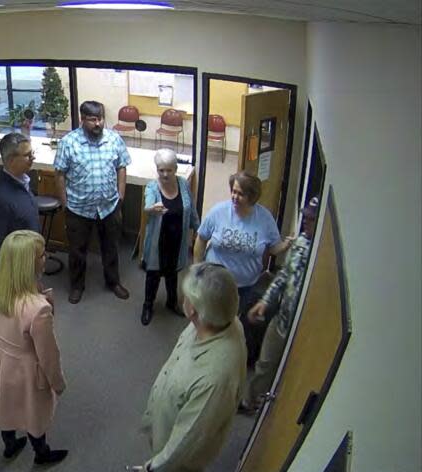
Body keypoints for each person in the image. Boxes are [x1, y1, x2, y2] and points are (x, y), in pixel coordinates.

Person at [136, 262, 247, 471]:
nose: (182, 299)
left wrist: (152, 467)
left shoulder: (214, 380)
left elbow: (185, 442)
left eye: (186, 296)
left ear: (192, 310)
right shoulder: (221, 320)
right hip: (166, 420)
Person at [0, 230, 68, 465]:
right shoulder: (38, 309)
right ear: (29, 264)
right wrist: (58, 383)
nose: (46, 257)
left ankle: (10, 445)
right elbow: (48, 356)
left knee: (4, 407)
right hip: (26, 370)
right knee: (33, 413)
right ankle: (42, 453)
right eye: (42, 254)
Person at [193, 171, 292, 364]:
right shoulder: (219, 212)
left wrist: (285, 246)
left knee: (236, 325)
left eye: (240, 194)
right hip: (216, 282)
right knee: (211, 320)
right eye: (233, 191)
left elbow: (273, 248)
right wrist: (197, 269)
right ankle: (206, 356)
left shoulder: (264, 219)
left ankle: (229, 358)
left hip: (246, 285)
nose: (234, 197)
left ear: (252, 196)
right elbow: (201, 238)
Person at [240, 196, 320, 413]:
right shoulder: (302, 242)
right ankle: (250, 403)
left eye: (311, 219)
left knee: (294, 374)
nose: (306, 222)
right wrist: (265, 301)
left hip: (306, 330)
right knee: (264, 364)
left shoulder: (323, 254)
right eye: (306, 217)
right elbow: (284, 275)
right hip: (282, 320)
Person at [54, 100, 131, 304]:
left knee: (111, 247)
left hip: (109, 206)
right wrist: (65, 203)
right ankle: (77, 286)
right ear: (82, 119)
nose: (98, 123)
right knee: (77, 251)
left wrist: (120, 196)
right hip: (78, 208)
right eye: (92, 119)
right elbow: (59, 174)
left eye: (101, 118)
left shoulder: (114, 139)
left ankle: (113, 282)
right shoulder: (69, 142)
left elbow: (121, 166)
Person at [140, 149, 199, 325]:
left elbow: (192, 210)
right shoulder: (152, 187)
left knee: (173, 274)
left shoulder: (183, 184)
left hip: (178, 239)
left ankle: (171, 302)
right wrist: (151, 209)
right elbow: (148, 205)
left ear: (175, 168)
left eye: (169, 170)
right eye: (161, 170)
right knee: (153, 274)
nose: (165, 174)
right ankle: (148, 305)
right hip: (159, 240)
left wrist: (198, 230)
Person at [0, 133, 40, 273]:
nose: (33, 158)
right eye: (27, 155)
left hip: (30, 261)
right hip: (16, 271)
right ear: (10, 160)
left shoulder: (23, 182)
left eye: (32, 153)